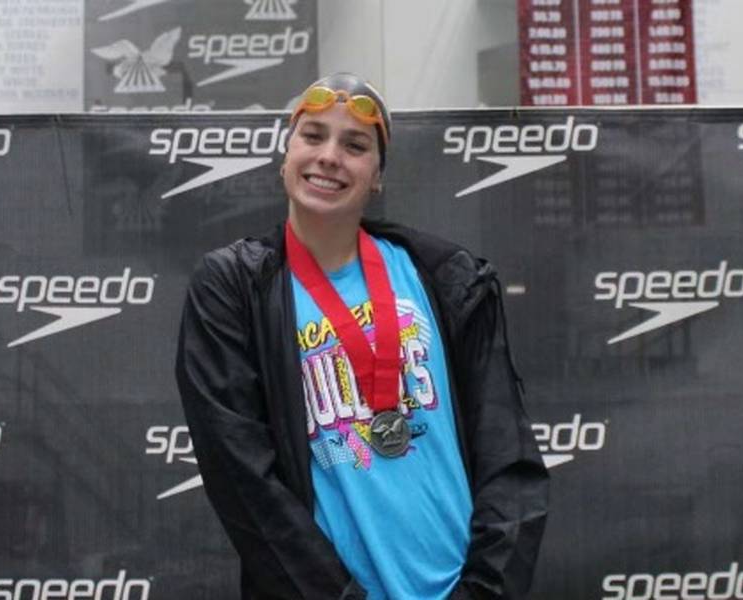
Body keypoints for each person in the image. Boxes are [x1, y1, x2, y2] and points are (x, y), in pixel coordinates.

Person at [175, 72, 549, 600]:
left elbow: (509, 463)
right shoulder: (235, 287)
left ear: (376, 176)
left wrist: (484, 590)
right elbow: (243, 482)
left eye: (354, 145)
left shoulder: (447, 278)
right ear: (285, 154)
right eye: (313, 136)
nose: (330, 156)